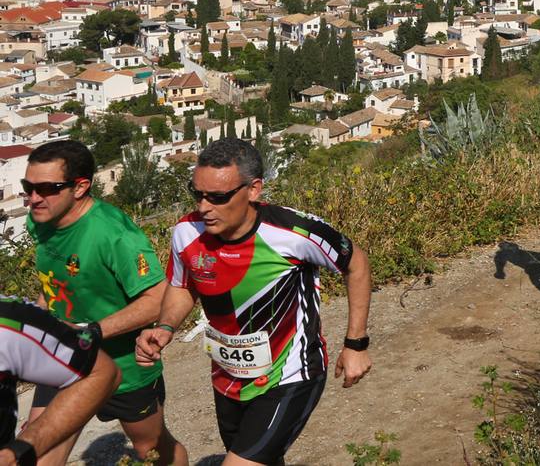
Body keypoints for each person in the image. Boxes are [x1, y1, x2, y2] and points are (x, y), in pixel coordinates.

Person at [135, 139, 373, 466]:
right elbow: (182, 286)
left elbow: (356, 263)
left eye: (218, 197)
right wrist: (165, 327)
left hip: (291, 373)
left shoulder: (292, 231)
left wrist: (356, 344)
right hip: (228, 376)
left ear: (253, 190)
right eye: (197, 194)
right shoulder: (186, 232)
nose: (204, 207)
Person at [24, 140, 188, 466]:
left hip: (125, 368)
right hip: (63, 362)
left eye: (46, 188)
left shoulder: (113, 234)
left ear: (81, 187)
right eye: (28, 187)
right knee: (34, 450)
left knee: (152, 452)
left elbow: (158, 299)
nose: (34, 198)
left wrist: (89, 333)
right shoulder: (39, 220)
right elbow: (54, 282)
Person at [0, 297, 120, 465]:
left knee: (147, 443)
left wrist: (24, 446)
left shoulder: (6, 323)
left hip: (130, 367)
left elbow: (100, 372)